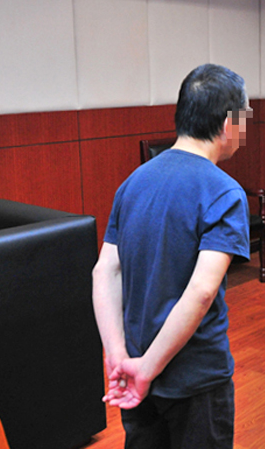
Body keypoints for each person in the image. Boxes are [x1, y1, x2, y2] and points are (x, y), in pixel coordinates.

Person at [92, 63, 251, 448]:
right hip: (195, 379)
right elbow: (201, 292)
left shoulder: (133, 182)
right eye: (245, 118)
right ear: (228, 124)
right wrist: (147, 369)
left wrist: (119, 357)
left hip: (134, 371)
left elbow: (104, 272)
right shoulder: (225, 192)